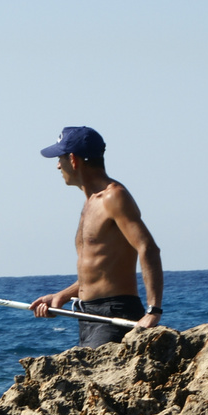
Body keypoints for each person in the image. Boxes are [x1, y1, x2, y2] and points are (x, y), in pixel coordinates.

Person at [30, 126, 163, 345]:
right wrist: (62, 296)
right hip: (88, 315)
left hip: (114, 314)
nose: (57, 165)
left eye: (59, 158)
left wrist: (153, 311)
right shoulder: (90, 202)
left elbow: (148, 247)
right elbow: (99, 269)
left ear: (73, 160)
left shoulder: (113, 197)